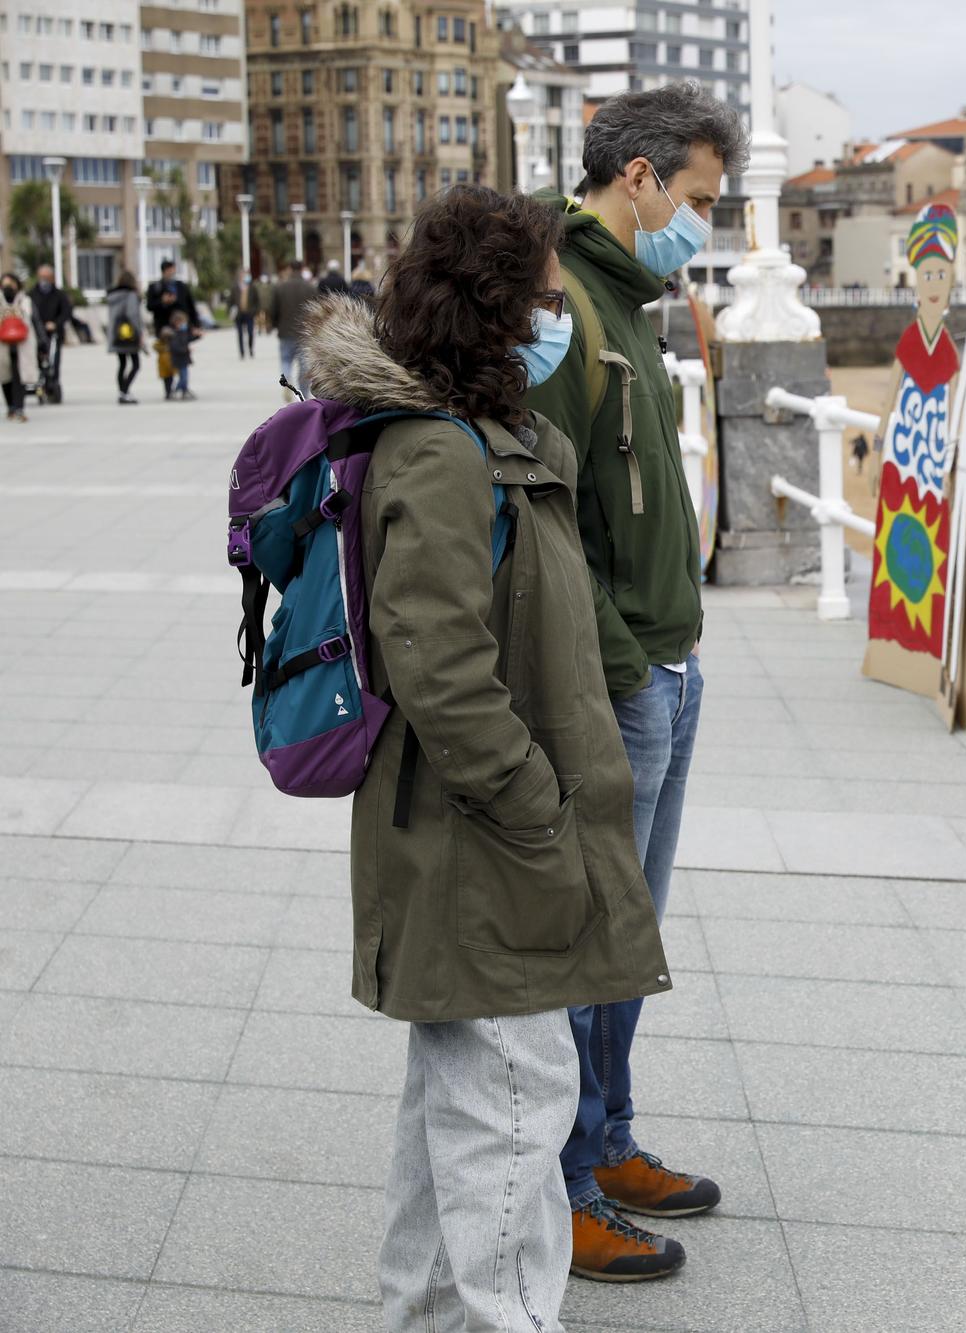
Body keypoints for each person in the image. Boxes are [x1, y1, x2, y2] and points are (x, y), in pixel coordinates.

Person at [299, 183, 674, 1328]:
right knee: (514, 1101)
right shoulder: (440, 454)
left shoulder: (482, 441)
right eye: (545, 302)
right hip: (479, 835)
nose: (558, 321)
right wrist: (534, 803)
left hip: (480, 829)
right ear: (493, 312)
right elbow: (440, 664)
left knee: (456, 1098)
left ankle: (423, 1314)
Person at [522, 80, 742, 1280]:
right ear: (640, 177)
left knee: (629, 938)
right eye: (698, 199)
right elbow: (542, 511)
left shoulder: (625, 297)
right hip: (622, 677)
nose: (703, 225)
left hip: (664, 663)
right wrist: (627, 665)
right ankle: (561, 1190)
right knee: (590, 940)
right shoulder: (563, 305)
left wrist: (672, 656)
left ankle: (605, 1144)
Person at [269, 259, 318, 397]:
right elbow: (316, 310)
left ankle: (287, 380)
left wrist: (275, 324)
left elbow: (273, 309)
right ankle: (303, 393)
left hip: (285, 330)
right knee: (304, 365)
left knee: (285, 360)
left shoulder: (280, 287)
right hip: (304, 332)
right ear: (302, 269)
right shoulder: (310, 288)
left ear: (290, 269)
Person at [28, 265, 71, 401]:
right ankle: (40, 384)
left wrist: (56, 324)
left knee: (54, 362)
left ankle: (53, 385)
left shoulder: (59, 295)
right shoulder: (31, 295)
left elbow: (66, 312)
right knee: (39, 362)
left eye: (47, 277)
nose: (44, 280)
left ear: (52, 278)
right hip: (36, 335)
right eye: (42, 277)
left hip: (54, 334)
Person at [104, 270, 147, 405]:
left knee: (122, 364)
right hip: (130, 335)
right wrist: (139, 333)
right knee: (136, 365)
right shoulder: (131, 295)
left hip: (117, 335)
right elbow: (132, 315)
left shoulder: (113, 296)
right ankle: (125, 391)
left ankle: (122, 392)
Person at [0, 273, 31, 421]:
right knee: (5, 377)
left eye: (11, 283)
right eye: (5, 284)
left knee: (20, 377)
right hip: (3, 344)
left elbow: (32, 320)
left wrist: (43, 343)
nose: (8, 287)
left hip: (22, 344)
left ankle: (19, 408)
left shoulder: (25, 300)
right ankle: (11, 406)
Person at [144, 259, 194, 335]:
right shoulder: (155, 287)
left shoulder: (181, 286)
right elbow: (149, 306)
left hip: (181, 325)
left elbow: (190, 305)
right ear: (165, 271)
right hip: (163, 326)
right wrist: (162, 301)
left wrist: (195, 324)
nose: (172, 272)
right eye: (170, 270)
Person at [163, 308, 199, 399]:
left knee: (185, 376)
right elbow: (175, 347)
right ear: (177, 322)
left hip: (184, 358)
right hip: (179, 359)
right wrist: (186, 349)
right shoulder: (173, 334)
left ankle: (184, 391)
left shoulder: (183, 332)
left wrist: (197, 336)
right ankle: (176, 390)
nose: (184, 325)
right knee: (183, 377)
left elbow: (188, 339)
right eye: (182, 322)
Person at [230, 272, 260, 358]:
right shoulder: (235, 288)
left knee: (250, 333)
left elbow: (257, 301)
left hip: (249, 314)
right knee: (240, 334)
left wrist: (254, 311)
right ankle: (242, 352)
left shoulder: (252, 288)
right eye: (243, 275)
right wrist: (230, 311)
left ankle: (250, 348)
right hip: (238, 315)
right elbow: (230, 301)